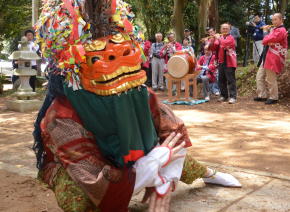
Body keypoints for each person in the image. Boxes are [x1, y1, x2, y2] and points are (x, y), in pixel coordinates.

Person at [33, 1, 242, 211]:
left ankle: (209, 174)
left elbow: (175, 134)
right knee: (79, 199)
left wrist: (164, 179)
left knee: (171, 151)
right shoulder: (62, 115)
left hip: (134, 158)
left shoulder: (140, 93)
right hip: (84, 170)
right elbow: (95, 182)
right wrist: (153, 163)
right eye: (99, 55)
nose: (117, 60)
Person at [254, 13, 287, 104]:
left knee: (271, 78)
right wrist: (266, 32)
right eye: (273, 20)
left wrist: (265, 32)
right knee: (259, 76)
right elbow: (267, 39)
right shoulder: (274, 29)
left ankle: (274, 97)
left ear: (281, 20)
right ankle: (262, 95)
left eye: (276, 19)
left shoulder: (281, 30)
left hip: (274, 56)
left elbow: (266, 41)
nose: (274, 21)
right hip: (267, 55)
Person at [209, 24, 237, 104]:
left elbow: (224, 44)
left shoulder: (231, 38)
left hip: (229, 62)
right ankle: (224, 96)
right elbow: (213, 48)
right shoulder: (220, 38)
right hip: (220, 62)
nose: (225, 30)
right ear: (220, 30)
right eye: (223, 29)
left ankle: (233, 96)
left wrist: (218, 38)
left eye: (226, 29)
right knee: (221, 80)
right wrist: (211, 40)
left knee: (231, 80)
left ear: (229, 30)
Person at [207, 27, 220, 96]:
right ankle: (213, 89)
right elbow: (209, 48)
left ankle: (218, 89)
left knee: (218, 74)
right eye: (209, 32)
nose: (210, 33)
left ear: (215, 31)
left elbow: (218, 45)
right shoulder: (210, 39)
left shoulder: (218, 37)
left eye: (211, 32)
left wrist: (216, 39)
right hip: (212, 57)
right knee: (213, 72)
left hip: (218, 56)